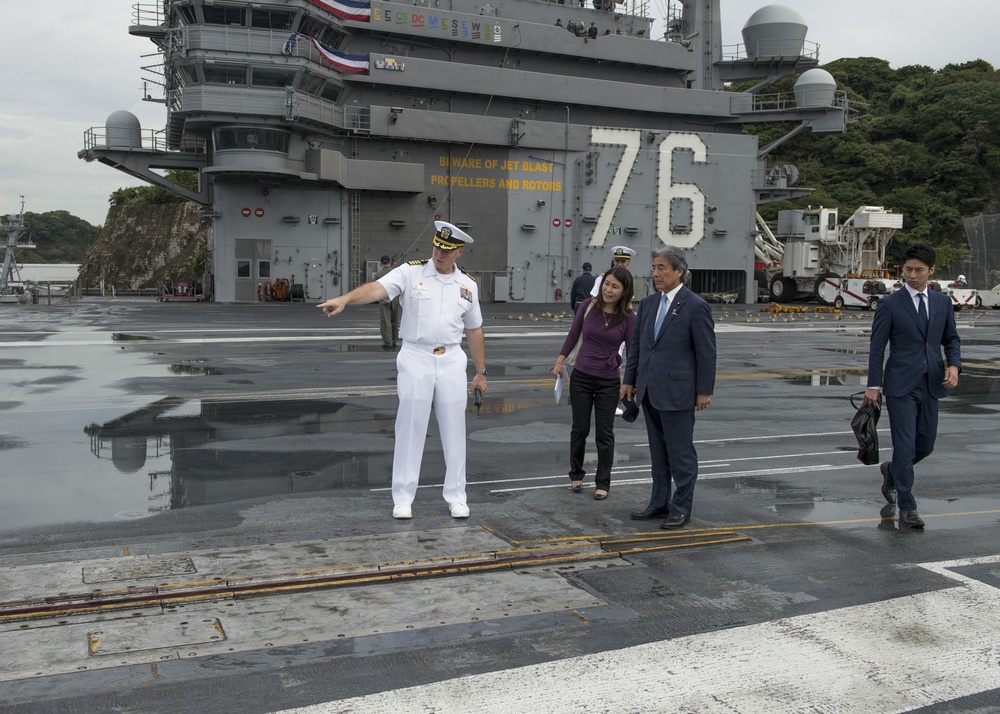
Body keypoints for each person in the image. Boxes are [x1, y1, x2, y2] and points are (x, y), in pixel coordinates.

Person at [317, 221, 487, 521]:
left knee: (454, 431)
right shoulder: (410, 272)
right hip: (416, 357)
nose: (439, 253)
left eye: (447, 250)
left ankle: (457, 496)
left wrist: (481, 371)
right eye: (437, 246)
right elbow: (376, 289)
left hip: (451, 360)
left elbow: (474, 329)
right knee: (410, 427)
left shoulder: (468, 286)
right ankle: (403, 497)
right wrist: (345, 299)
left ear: (459, 252)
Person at [864, 243, 961, 529]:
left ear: (931, 271)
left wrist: (953, 365)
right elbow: (877, 347)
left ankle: (891, 471)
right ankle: (907, 506)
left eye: (919, 270)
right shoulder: (890, 304)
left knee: (925, 446)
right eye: (908, 270)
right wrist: (873, 385)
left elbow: (951, 340)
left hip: (931, 382)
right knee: (904, 447)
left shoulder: (942, 303)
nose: (912, 275)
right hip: (900, 386)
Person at [622, 246, 716, 529]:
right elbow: (637, 346)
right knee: (658, 454)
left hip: (679, 393)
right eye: (654, 267)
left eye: (662, 268)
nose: (655, 273)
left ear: (679, 271)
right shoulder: (649, 304)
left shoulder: (695, 306)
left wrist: (704, 390)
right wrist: (629, 380)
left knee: (680, 454)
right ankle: (659, 503)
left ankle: (681, 507)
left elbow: (706, 352)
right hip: (649, 390)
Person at [553, 267, 635, 500]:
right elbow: (572, 334)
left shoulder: (629, 318)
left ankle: (603, 482)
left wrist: (629, 382)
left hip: (609, 381)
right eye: (607, 284)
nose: (608, 289)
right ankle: (576, 473)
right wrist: (559, 362)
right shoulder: (587, 306)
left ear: (623, 292)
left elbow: (632, 351)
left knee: (604, 433)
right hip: (581, 376)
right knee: (579, 429)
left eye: (615, 286)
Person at [374, 255, 401, 350]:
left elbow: (375, 289)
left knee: (386, 322)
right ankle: (395, 341)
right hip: (396, 299)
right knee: (396, 320)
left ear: (381, 263)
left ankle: (388, 342)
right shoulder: (395, 272)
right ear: (390, 262)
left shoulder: (378, 274)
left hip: (384, 300)